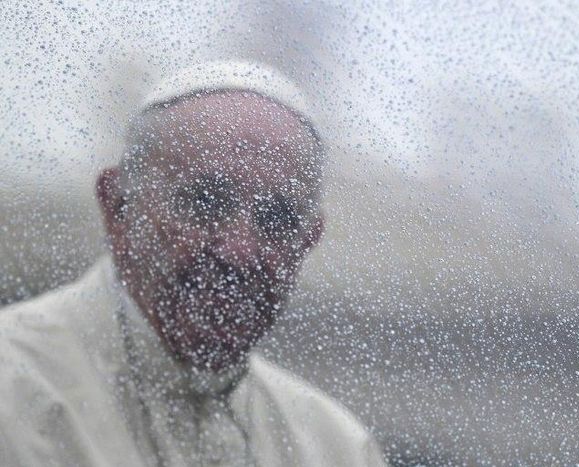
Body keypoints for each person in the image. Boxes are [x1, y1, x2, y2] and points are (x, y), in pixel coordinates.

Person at [0, 61, 386, 466]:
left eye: (277, 219)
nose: (240, 251)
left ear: (308, 241)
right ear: (118, 208)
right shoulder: (11, 393)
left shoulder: (336, 448)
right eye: (205, 203)